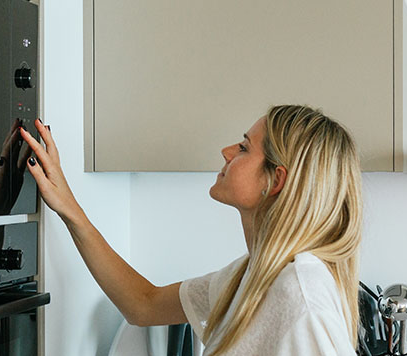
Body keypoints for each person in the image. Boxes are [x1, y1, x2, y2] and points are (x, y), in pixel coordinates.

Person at [18, 104, 362, 355]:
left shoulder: (299, 295)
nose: (226, 152)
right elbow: (143, 304)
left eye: (243, 147)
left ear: (275, 180)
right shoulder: (248, 278)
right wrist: (70, 209)